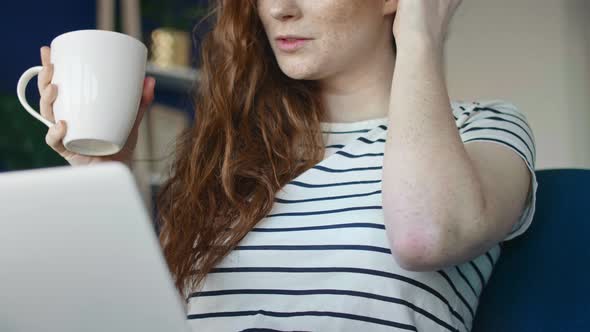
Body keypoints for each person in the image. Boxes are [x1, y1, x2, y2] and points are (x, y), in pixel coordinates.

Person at [39, 0, 538, 331]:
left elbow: (425, 235)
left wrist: (420, 35)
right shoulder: (231, 159)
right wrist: (101, 171)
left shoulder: (481, 129)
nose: (280, 9)